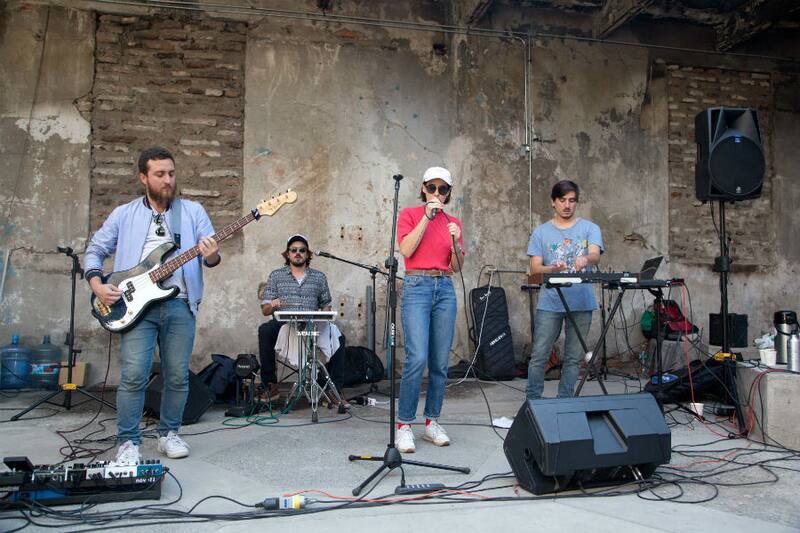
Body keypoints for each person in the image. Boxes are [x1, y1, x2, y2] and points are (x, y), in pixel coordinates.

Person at [85, 147, 221, 463]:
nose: (167, 180)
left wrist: (212, 254)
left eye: (171, 173)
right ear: (143, 177)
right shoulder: (124, 214)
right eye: (159, 174)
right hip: (134, 306)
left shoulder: (193, 212)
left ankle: (169, 433)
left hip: (180, 303)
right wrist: (97, 285)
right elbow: (95, 250)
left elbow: (211, 258)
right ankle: (128, 442)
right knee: (134, 374)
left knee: (177, 376)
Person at [395, 166, 465, 453]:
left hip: (444, 286)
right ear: (424, 189)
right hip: (417, 286)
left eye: (443, 189)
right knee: (417, 358)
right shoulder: (410, 215)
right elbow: (407, 250)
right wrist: (427, 216)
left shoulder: (453, 222)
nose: (437, 193)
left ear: (448, 193)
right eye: (432, 187)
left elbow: (457, 266)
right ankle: (404, 425)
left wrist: (455, 241)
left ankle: (432, 421)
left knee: (439, 362)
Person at [526, 180, 603, 400]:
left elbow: (595, 255)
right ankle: (533, 401)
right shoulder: (541, 232)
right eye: (562, 200)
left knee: (574, 357)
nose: (567, 205)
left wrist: (586, 258)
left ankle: (565, 402)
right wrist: (552, 268)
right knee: (539, 355)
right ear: (553, 202)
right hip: (550, 302)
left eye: (572, 200)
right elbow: (535, 268)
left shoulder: (590, 228)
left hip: (581, 301)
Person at [257, 234, 347, 406]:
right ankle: (270, 385)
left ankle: (333, 389)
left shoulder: (319, 277)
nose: (297, 253)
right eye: (293, 250)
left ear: (308, 254)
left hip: (312, 323)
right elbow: (265, 309)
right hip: (285, 323)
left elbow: (326, 304)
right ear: (287, 254)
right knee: (265, 330)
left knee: (338, 337)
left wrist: (325, 313)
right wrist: (273, 304)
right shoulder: (276, 276)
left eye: (302, 250)